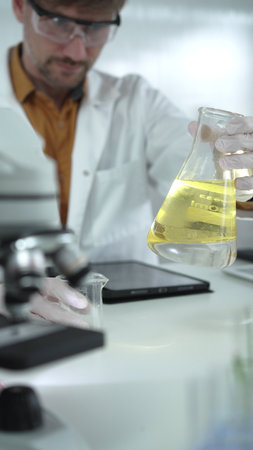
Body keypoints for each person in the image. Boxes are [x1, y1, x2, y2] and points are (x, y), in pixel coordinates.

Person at [1, 0, 253, 325]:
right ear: (21, 8)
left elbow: (196, 157)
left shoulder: (138, 101)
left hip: (123, 324)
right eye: (58, 23)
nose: (77, 51)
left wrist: (238, 164)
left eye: (96, 28)